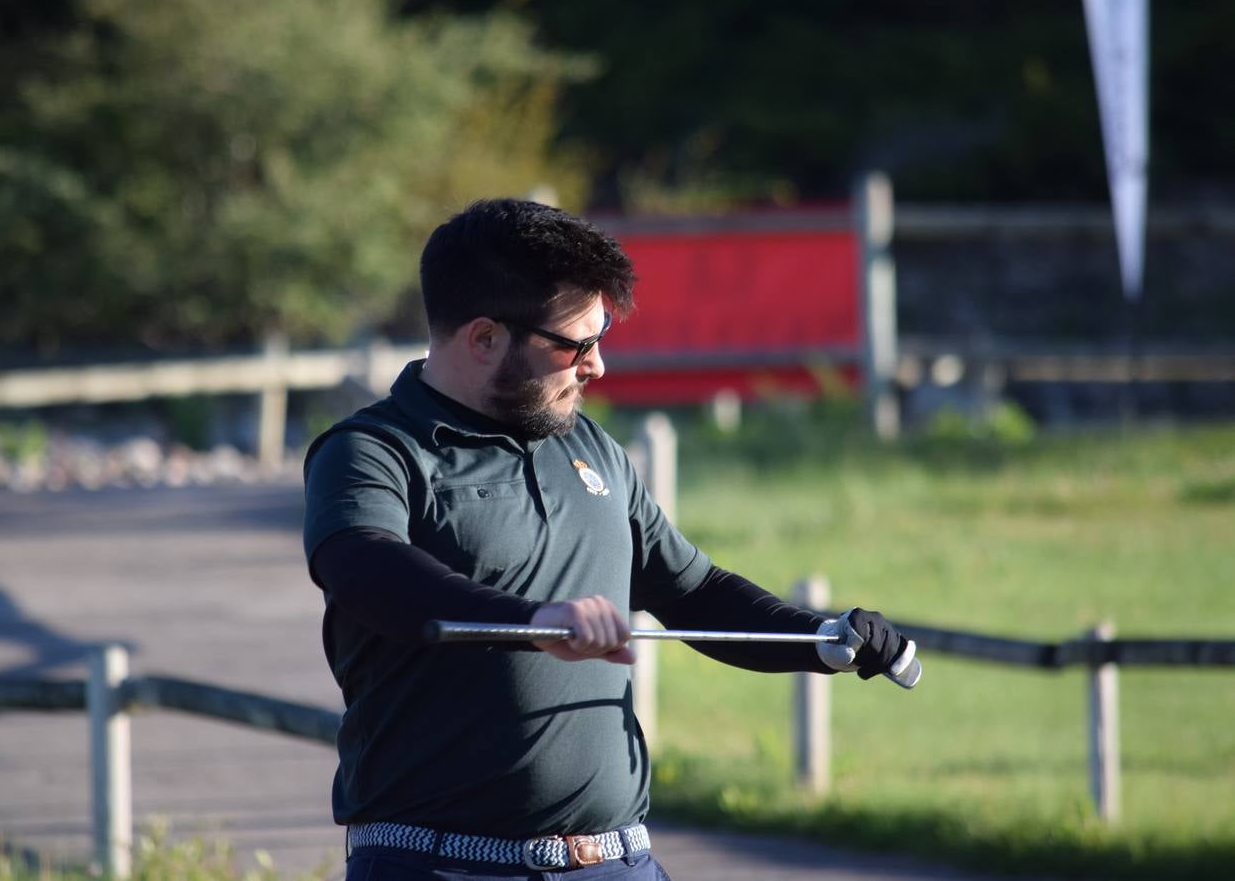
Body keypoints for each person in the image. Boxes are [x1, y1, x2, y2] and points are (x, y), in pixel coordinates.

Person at [303, 199, 912, 880]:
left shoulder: (592, 448)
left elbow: (695, 591)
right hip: (439, 865)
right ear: (483, 339)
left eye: (602, 337)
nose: (597, 367)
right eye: (575, 344)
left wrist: (825, 639)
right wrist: (532, 621)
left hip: (619, 862)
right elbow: (363, 567)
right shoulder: (372, 451)